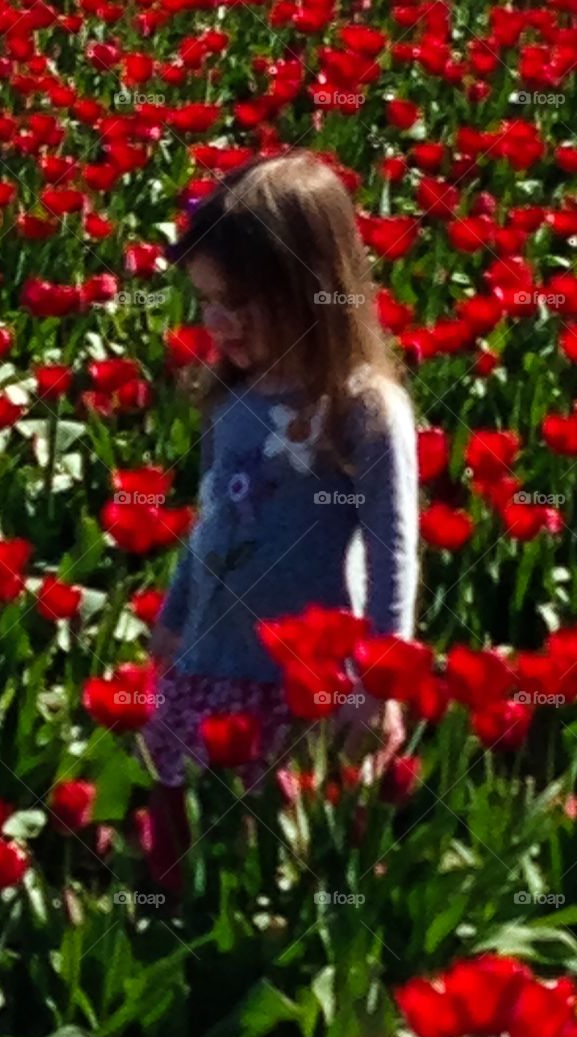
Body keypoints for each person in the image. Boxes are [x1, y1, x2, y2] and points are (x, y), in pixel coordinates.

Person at [138, 149, 421, 888]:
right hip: (207, 661)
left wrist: (379, 683)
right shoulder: (230, 399)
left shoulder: (362, 409)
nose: (218, 323)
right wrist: (171, 618)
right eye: (204, 301)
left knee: (284, 866)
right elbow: (210, 529)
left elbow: (395, 554)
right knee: (181, 851)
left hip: (304, 687)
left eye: (238, 301)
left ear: (311, 289)